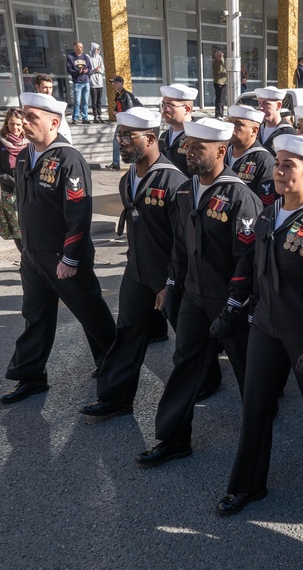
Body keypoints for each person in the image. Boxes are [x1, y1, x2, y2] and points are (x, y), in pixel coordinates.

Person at [216, 134, 303, 515]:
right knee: (256, 404)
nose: (278, 172)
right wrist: (235, 307)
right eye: (277, 164)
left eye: (288, 166)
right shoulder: (268, 212)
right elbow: (250, 266)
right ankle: (247, 484)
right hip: (265, 325)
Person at [138, 118, 263, 464]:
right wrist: (172, 288)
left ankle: (257, 440)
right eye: (187, 146)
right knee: (184, 365)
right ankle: (174, 438)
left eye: (198, 148)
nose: (188, 153)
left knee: (249, 374)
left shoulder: (240, 196)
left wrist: (234, 308)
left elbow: (246, 261)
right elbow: (180, 247)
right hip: (193, 297)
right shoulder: (184, 191)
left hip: (230, 302)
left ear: (221, 151)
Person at [0, 92, 116, 404]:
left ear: (54, 122)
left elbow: (78, 215)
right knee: (35, 315)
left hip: (63, 256)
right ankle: (30, 376)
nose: (24, 122)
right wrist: (25, 248)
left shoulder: (69, 159)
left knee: (91, 314)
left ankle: (115, 368)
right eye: (23, 115)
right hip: (33, 255)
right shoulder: (24, 156)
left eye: (32, 117)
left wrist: (70, 257)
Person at [79, 107, 187, 418]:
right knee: (127, 332)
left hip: (170, 276)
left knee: (189, 338)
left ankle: (210, 378)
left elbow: (183, 241)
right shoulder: (128, 178)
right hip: (137, 272)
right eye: (119, 135)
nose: (121, 141)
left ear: (151, 138)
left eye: (129, 136)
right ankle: (115, 398)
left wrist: (171, 283)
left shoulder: (173, 181)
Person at [0, 108, 27, 251]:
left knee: (30, 225)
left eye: (18, 124)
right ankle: (25, 258)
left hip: (29, 190)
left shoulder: (30, 143)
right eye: (12, 124)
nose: (15, 128)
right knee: (17, 229)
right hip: (10, 192)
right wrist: (13, 181)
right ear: (6, 124)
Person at [226, 105, 277, 207]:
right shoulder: (222, 154)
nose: (232, 128)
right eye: (230, 123)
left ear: (254, 130)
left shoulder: (265, 161)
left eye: (238, 124)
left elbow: (265, 204)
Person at [157, 84, 198, 175]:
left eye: (171, 105)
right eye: (163, 104)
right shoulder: (164, 137)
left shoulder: (197, 136)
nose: (165, 109)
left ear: (187, 109)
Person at [106, 76, 141, 170]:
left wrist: (123, 117)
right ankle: (116, 163)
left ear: (121, 83)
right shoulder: (118, 95)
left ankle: (134, 162)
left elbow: (130, 110)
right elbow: (118, 107)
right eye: (113, 83)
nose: (114, 85)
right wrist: (115, 113)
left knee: (129, 142)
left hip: (127, 122)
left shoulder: (127, 95)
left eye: (116, 83)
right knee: (117, 141)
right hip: (122, 121)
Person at [32, 74, 73, 145]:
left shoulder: (56, 105)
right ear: (37, 87)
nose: (48, 91)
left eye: (50, 87)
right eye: (45, 87)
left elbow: (64, 128)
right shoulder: (32, 105)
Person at [255, 86, 296, 154]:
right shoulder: (257, 129)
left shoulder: (288, 132)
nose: (261, 108)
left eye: (266, 103)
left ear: (278, 105)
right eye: (259, 103)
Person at [66, 42, 91, 124]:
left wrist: (86, 71)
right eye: (80, 47)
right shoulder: (70, 57)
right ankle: (75, 118)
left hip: (86, 81)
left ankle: (85, 118)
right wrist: (78, 71)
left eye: (82, 47)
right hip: (77, 82)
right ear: (75, 47)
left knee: (85, 101)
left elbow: (89, 68)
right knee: (77, 101)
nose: (81, 48)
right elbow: (69, 70)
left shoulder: (86, 57)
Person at [87, 43, 106, 123]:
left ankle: (99, 115)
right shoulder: (88, 58)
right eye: (96, 49)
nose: (97, 51)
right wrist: (94, 70)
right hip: (92, 82)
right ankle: (95, 116)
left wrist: (99, 70)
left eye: (98, 49)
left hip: (99, 81)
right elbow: (87, 71)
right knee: (94, 100)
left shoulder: (99, 57)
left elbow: (103, 68)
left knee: (99, 100)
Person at [212, 51, 227, 119]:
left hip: (223, 83)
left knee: (222, 99)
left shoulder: (221, 66)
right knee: (219, 99)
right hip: (219, 83)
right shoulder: (216, 63)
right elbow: (221, 61)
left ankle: (221, 114)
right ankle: (218, 114)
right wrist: (221, 56)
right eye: (220, 56)